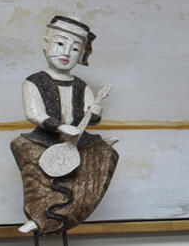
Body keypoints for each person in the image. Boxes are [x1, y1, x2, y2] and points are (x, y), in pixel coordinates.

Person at [10, 13, 118, 234]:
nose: (66, 52)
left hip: (77, 139)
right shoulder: (33, 82)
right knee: (22, 148)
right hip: (44, 139)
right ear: (45, 43)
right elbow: (34, 113)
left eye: (75, 48)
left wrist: (94, 113)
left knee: (104, 156)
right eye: (60, 44)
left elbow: (92, 116)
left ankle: (68, 216)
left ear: (82, 54)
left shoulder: (81, 86)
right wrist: (59, 127)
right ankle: (39, 216)